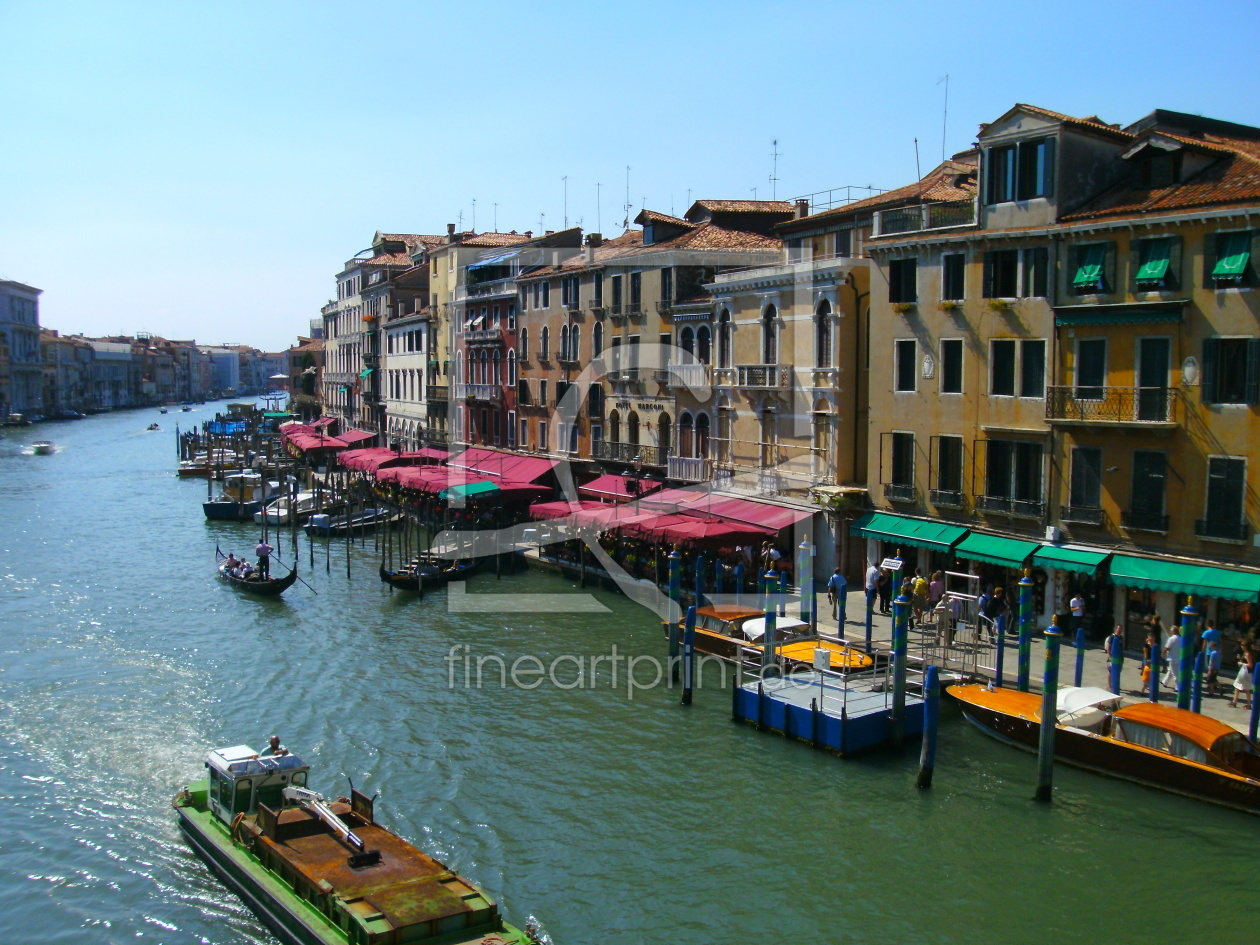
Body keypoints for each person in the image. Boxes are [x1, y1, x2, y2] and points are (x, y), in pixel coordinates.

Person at [1231, 643, 1255, 709]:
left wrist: (1242, 663)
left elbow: (1250, 665)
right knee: (1238, 687)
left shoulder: (1248, 654)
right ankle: (1235, 701)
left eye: (1243, 646)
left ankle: (1247, 704)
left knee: (1245, 688)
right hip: (1244, 672)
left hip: (1246, 672)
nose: (1242, 647)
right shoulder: (1246, 653)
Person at [1161, 624, 1182, 690]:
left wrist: (1163, 654)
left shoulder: (1172, 639)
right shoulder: (1181, 639)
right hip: (1178, 658)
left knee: (1175, 674)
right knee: (1171, 671)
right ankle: (1165, 682)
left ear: (1173, 631)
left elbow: (1167, 647)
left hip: (1172, 658)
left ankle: (1177, 687)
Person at [1104, 624, 1125, 689]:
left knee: (1118, 670)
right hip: (1112, 657)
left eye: (1121, 629)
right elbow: (1108, 647)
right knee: (1110, 671)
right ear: (1116, 629)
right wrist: (1109, 655)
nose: (1120, 630)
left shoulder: (1121, 637)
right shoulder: (1112, 637)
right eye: (1119, 629)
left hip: (1120, 657)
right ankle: (1109, 685)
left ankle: (1116, 684)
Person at [1140, 630, 1158, 696]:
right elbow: (1145, 655)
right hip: (1148, 662)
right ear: (1148, 638)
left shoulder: (1155, 645)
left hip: (1154, 662)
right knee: (1148, 679)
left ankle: (1143, 691)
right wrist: (1147, 662)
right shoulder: (1146, 645)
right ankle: (1151, 692)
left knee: (1150, 680)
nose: (1151, 638)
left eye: (1152, 637)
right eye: (1150, 637)